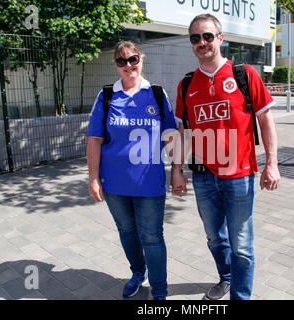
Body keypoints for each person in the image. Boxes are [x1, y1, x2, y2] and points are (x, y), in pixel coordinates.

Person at [171, 14, 281, 300]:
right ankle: (226, 277)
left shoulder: (244, 75)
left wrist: (272, 163)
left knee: (241, 245)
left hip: (240, 175)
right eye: (195, 38)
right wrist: (177, 170)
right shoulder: (186, 85)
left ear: (221, 38)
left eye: (208, 36)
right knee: (214, 238)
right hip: (204, 177)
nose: (202, 43)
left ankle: (240, 297)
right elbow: (182, 131)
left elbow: (265, 120)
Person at [86, 41, 182, 300]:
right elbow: (94, 139)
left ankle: (159, 293)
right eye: (121, 61)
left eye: (133, 59)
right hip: (115, 185)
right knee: (127, 232)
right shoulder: (106, 96)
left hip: (149, 184)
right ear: (116, 66)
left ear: (141, 60)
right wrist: (93, 178)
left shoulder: (157, 94)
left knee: (152, 238)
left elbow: (172, 135)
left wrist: (176, 170)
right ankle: (138, 273)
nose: (128, 65)